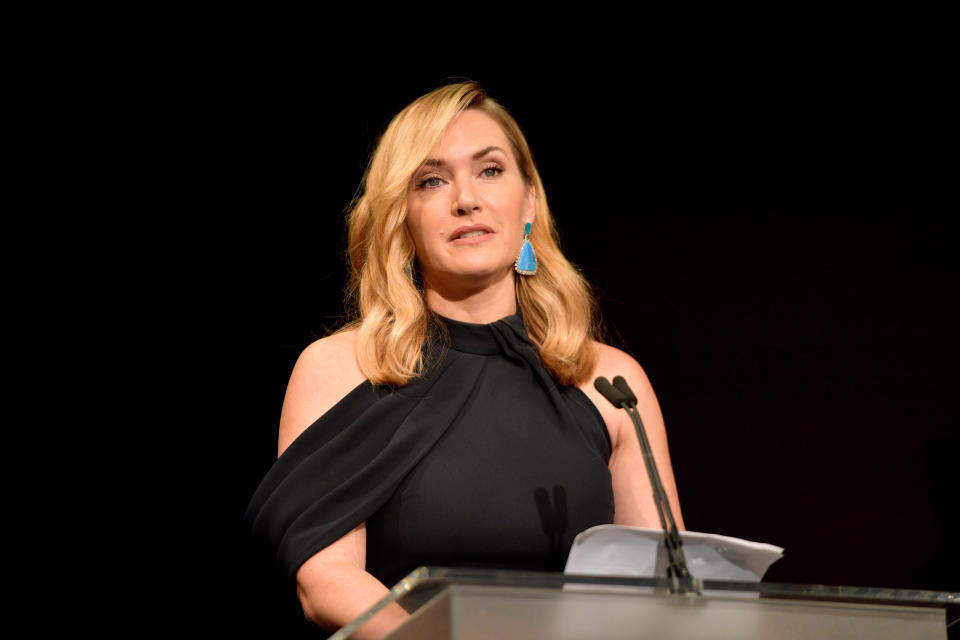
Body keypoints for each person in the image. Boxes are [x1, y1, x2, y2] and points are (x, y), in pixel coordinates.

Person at [245, 81, 685, 638]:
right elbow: (326, 580)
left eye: (490, 170)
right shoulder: (344, 368)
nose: (465, 199)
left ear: (529, 202)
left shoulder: (609, 380)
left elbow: (668, 588)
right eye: (431, 180)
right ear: (402, 216)